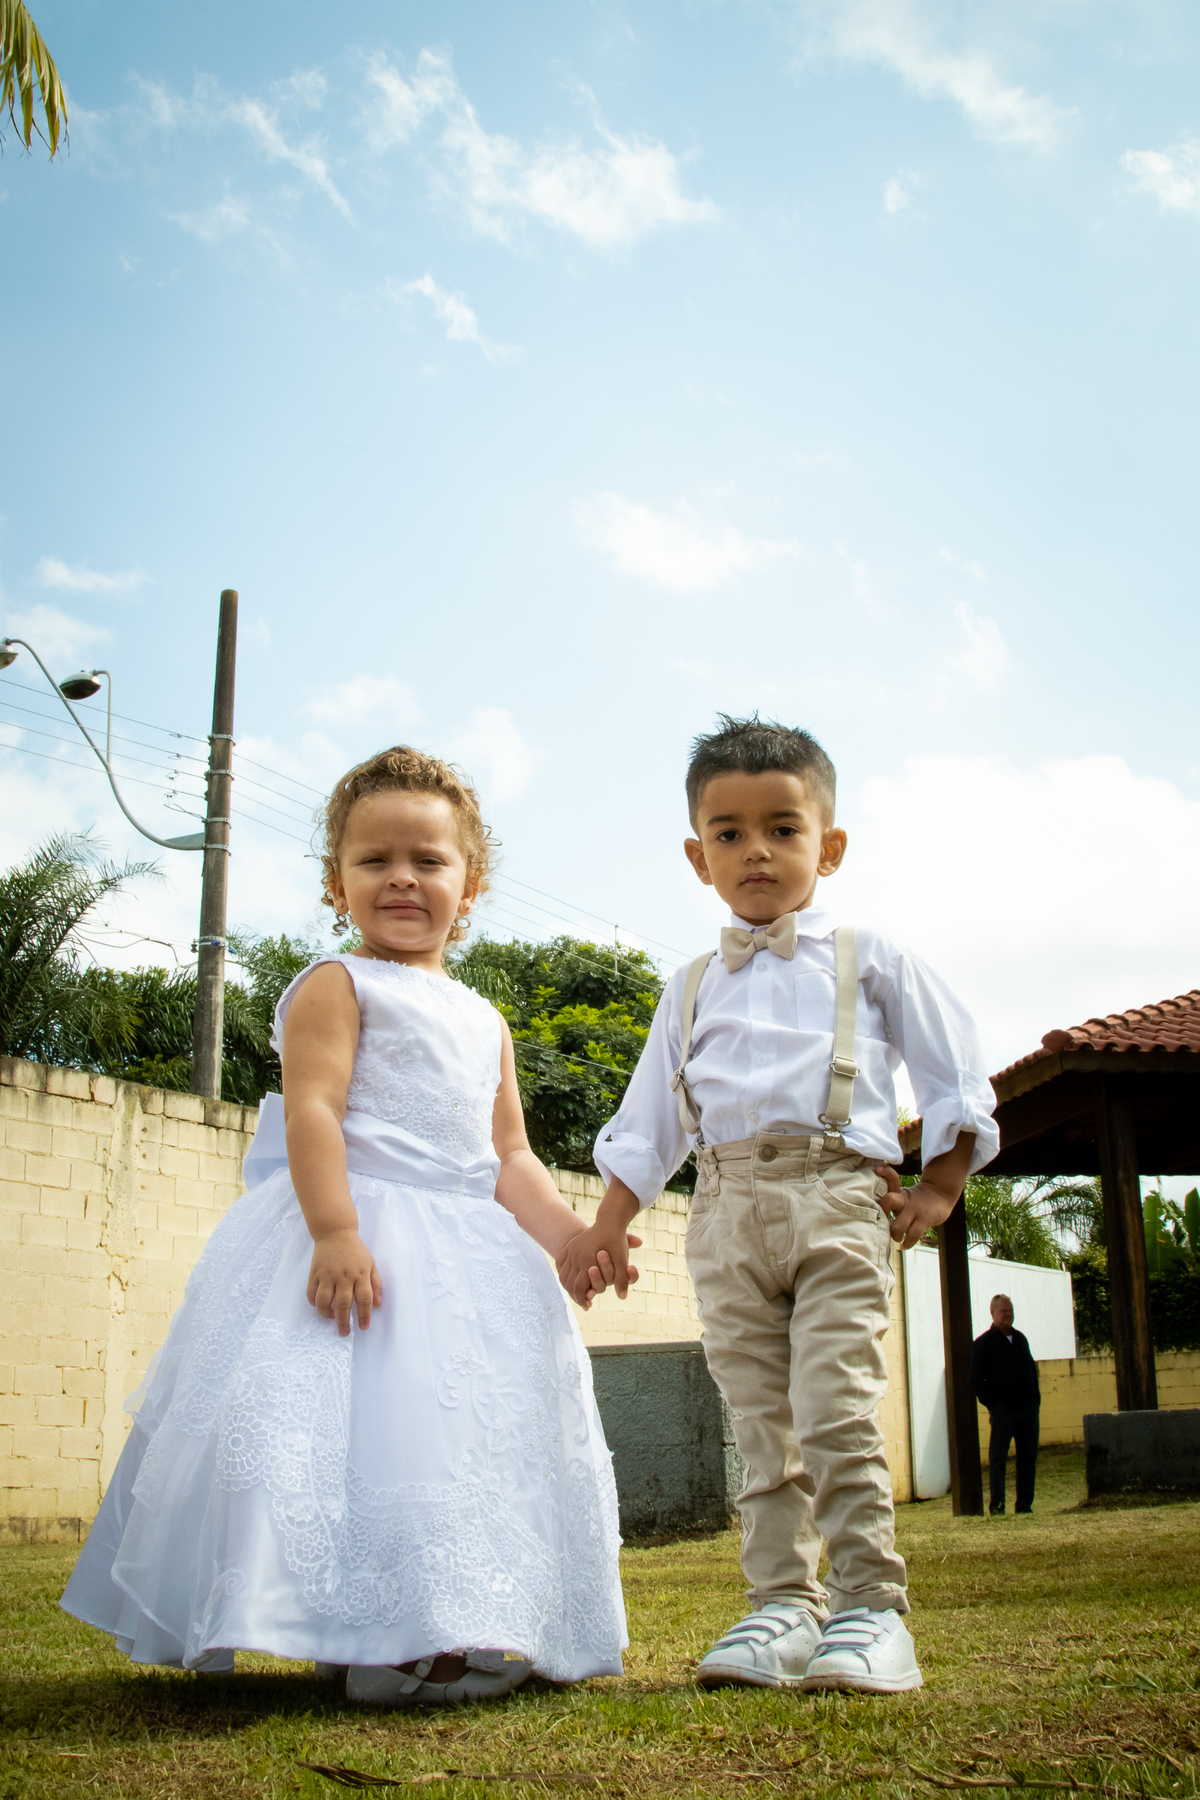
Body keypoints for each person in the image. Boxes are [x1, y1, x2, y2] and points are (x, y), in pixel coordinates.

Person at [62, 745, 628, 1705]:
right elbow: (312, 1109)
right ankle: (373, 1638)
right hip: (362, 1234)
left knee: (459, 1443)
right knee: (357, 1437)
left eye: (427, 860)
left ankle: (453, 1620)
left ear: (470, 883)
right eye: (374, 861)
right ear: (338, 883)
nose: (401, 877)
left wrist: (569, 1238)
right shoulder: (337, 983)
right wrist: (334, 1229)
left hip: (469, 1257)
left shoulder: (485, 1018)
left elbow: (510, 1157)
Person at [558, 715, 999, 1695]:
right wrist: (608, 1222)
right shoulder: (691, 986)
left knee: (835, 1409)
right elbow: (649, 1123)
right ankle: (780, 1608)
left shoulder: (870, 956)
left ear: (828, 845)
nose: (756, 849)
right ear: (697, 854)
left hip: (838, 1200)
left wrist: (942, 1185)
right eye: (729, 832)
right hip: (725, 1213)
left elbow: (955, 1071)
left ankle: (872, 1612)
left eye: (783, 828)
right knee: (760, 1425)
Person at [970, 1293, 1041, 1515]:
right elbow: (975, 1380)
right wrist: (994, 1405)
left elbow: (1031, 1369)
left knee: (1027, 1459)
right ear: (992, 1313)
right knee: (998, 1460)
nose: (1008, 1314)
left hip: (1027, 1410)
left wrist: (1035, 1400)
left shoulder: (1020, 1339)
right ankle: (998, 1506)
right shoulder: (983, 1344)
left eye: (1010, 1310)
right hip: (1003, 1412)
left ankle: (1024, 1506)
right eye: (1003, 1311)